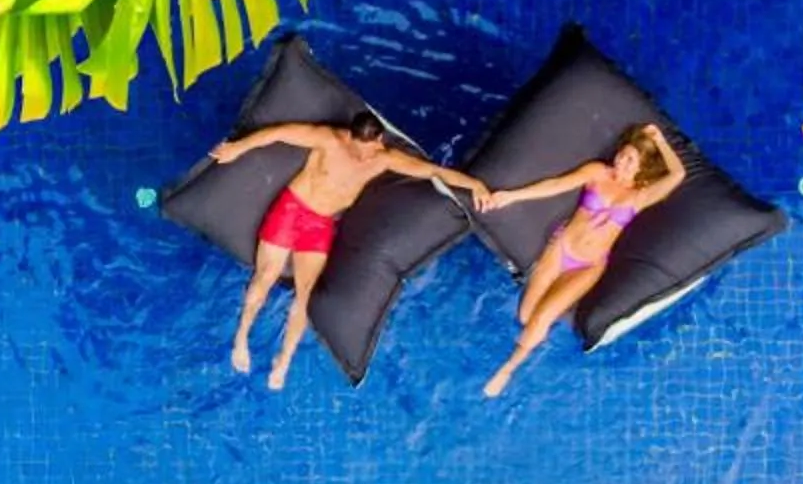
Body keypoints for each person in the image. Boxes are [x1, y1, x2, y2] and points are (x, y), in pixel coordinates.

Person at [203, 115, 485, 391]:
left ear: (379, 140)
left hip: (320, 224)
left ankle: (284, 360)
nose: (362, 158)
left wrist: (475, 185)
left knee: (305, 294)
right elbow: (278, 132)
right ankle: (241, 337)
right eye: (356, 150)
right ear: (349, 137)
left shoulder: (384, 159)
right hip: (292, 209)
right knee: (265, 276)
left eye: (368, 151)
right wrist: (237, 148)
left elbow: (432, 171)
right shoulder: (328, 139)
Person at [477, 121, 685, 397]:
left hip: (588, 266)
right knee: (526, 316)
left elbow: (678, 174)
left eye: (630, 159)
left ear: (641, 168)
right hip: (561, 248)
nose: (621, 160)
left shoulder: (640, 196)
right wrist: (511, 196)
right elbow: (556, 185)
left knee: (540, 320)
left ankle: (507, 369)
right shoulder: (598, 172)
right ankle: (549, 311)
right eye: (622, 153)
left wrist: (660, 140)